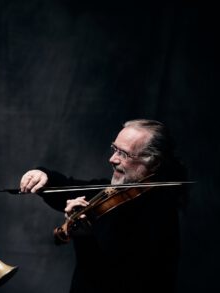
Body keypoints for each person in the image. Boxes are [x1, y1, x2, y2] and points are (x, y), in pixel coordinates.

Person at [19, 119, 187, 293]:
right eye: (115, 149)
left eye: (124, 154)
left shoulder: (160, 215)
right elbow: (72, 188)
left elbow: (109, 282)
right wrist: (44, 176)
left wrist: (84, 237)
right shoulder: (117, 190)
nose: (112, 159)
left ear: (154, 162)